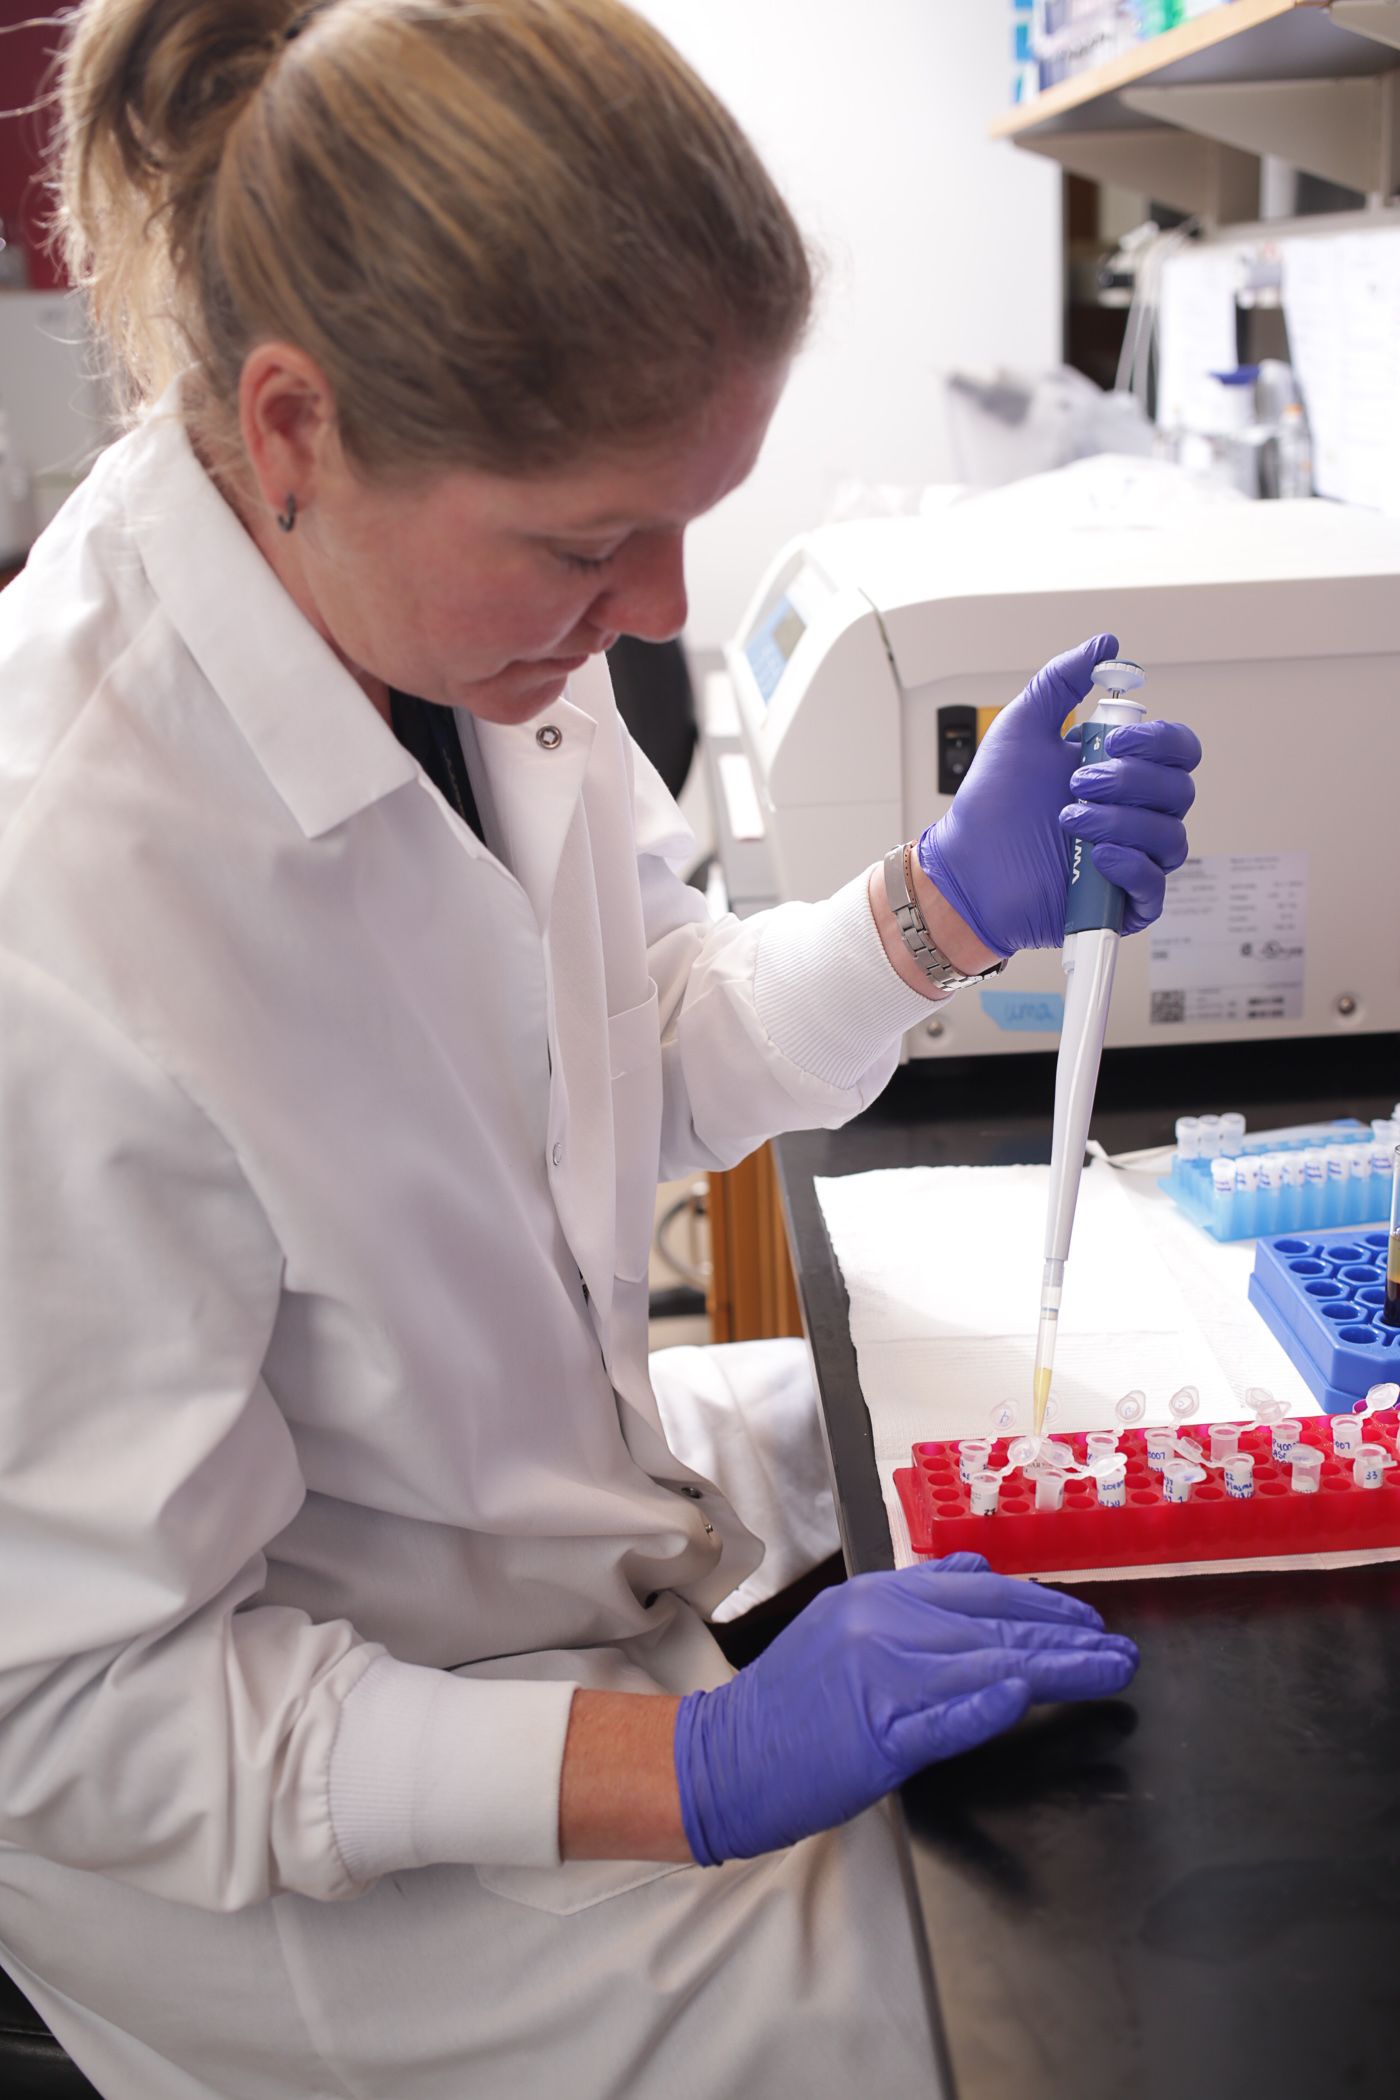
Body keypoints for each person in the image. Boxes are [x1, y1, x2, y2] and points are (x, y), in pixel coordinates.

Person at [0, 4, 1200, 2095]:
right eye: (585, 542)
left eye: (685, 516)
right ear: (293, 429)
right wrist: (705, 1763)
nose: (653, 610)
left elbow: (622, 1037)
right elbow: (80, 1714)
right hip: (307, 1844)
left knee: (1033, 1472)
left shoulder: (429, 615)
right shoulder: (66, 892)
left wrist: (939, 911)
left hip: (513, 1537)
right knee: (1053, 1996)